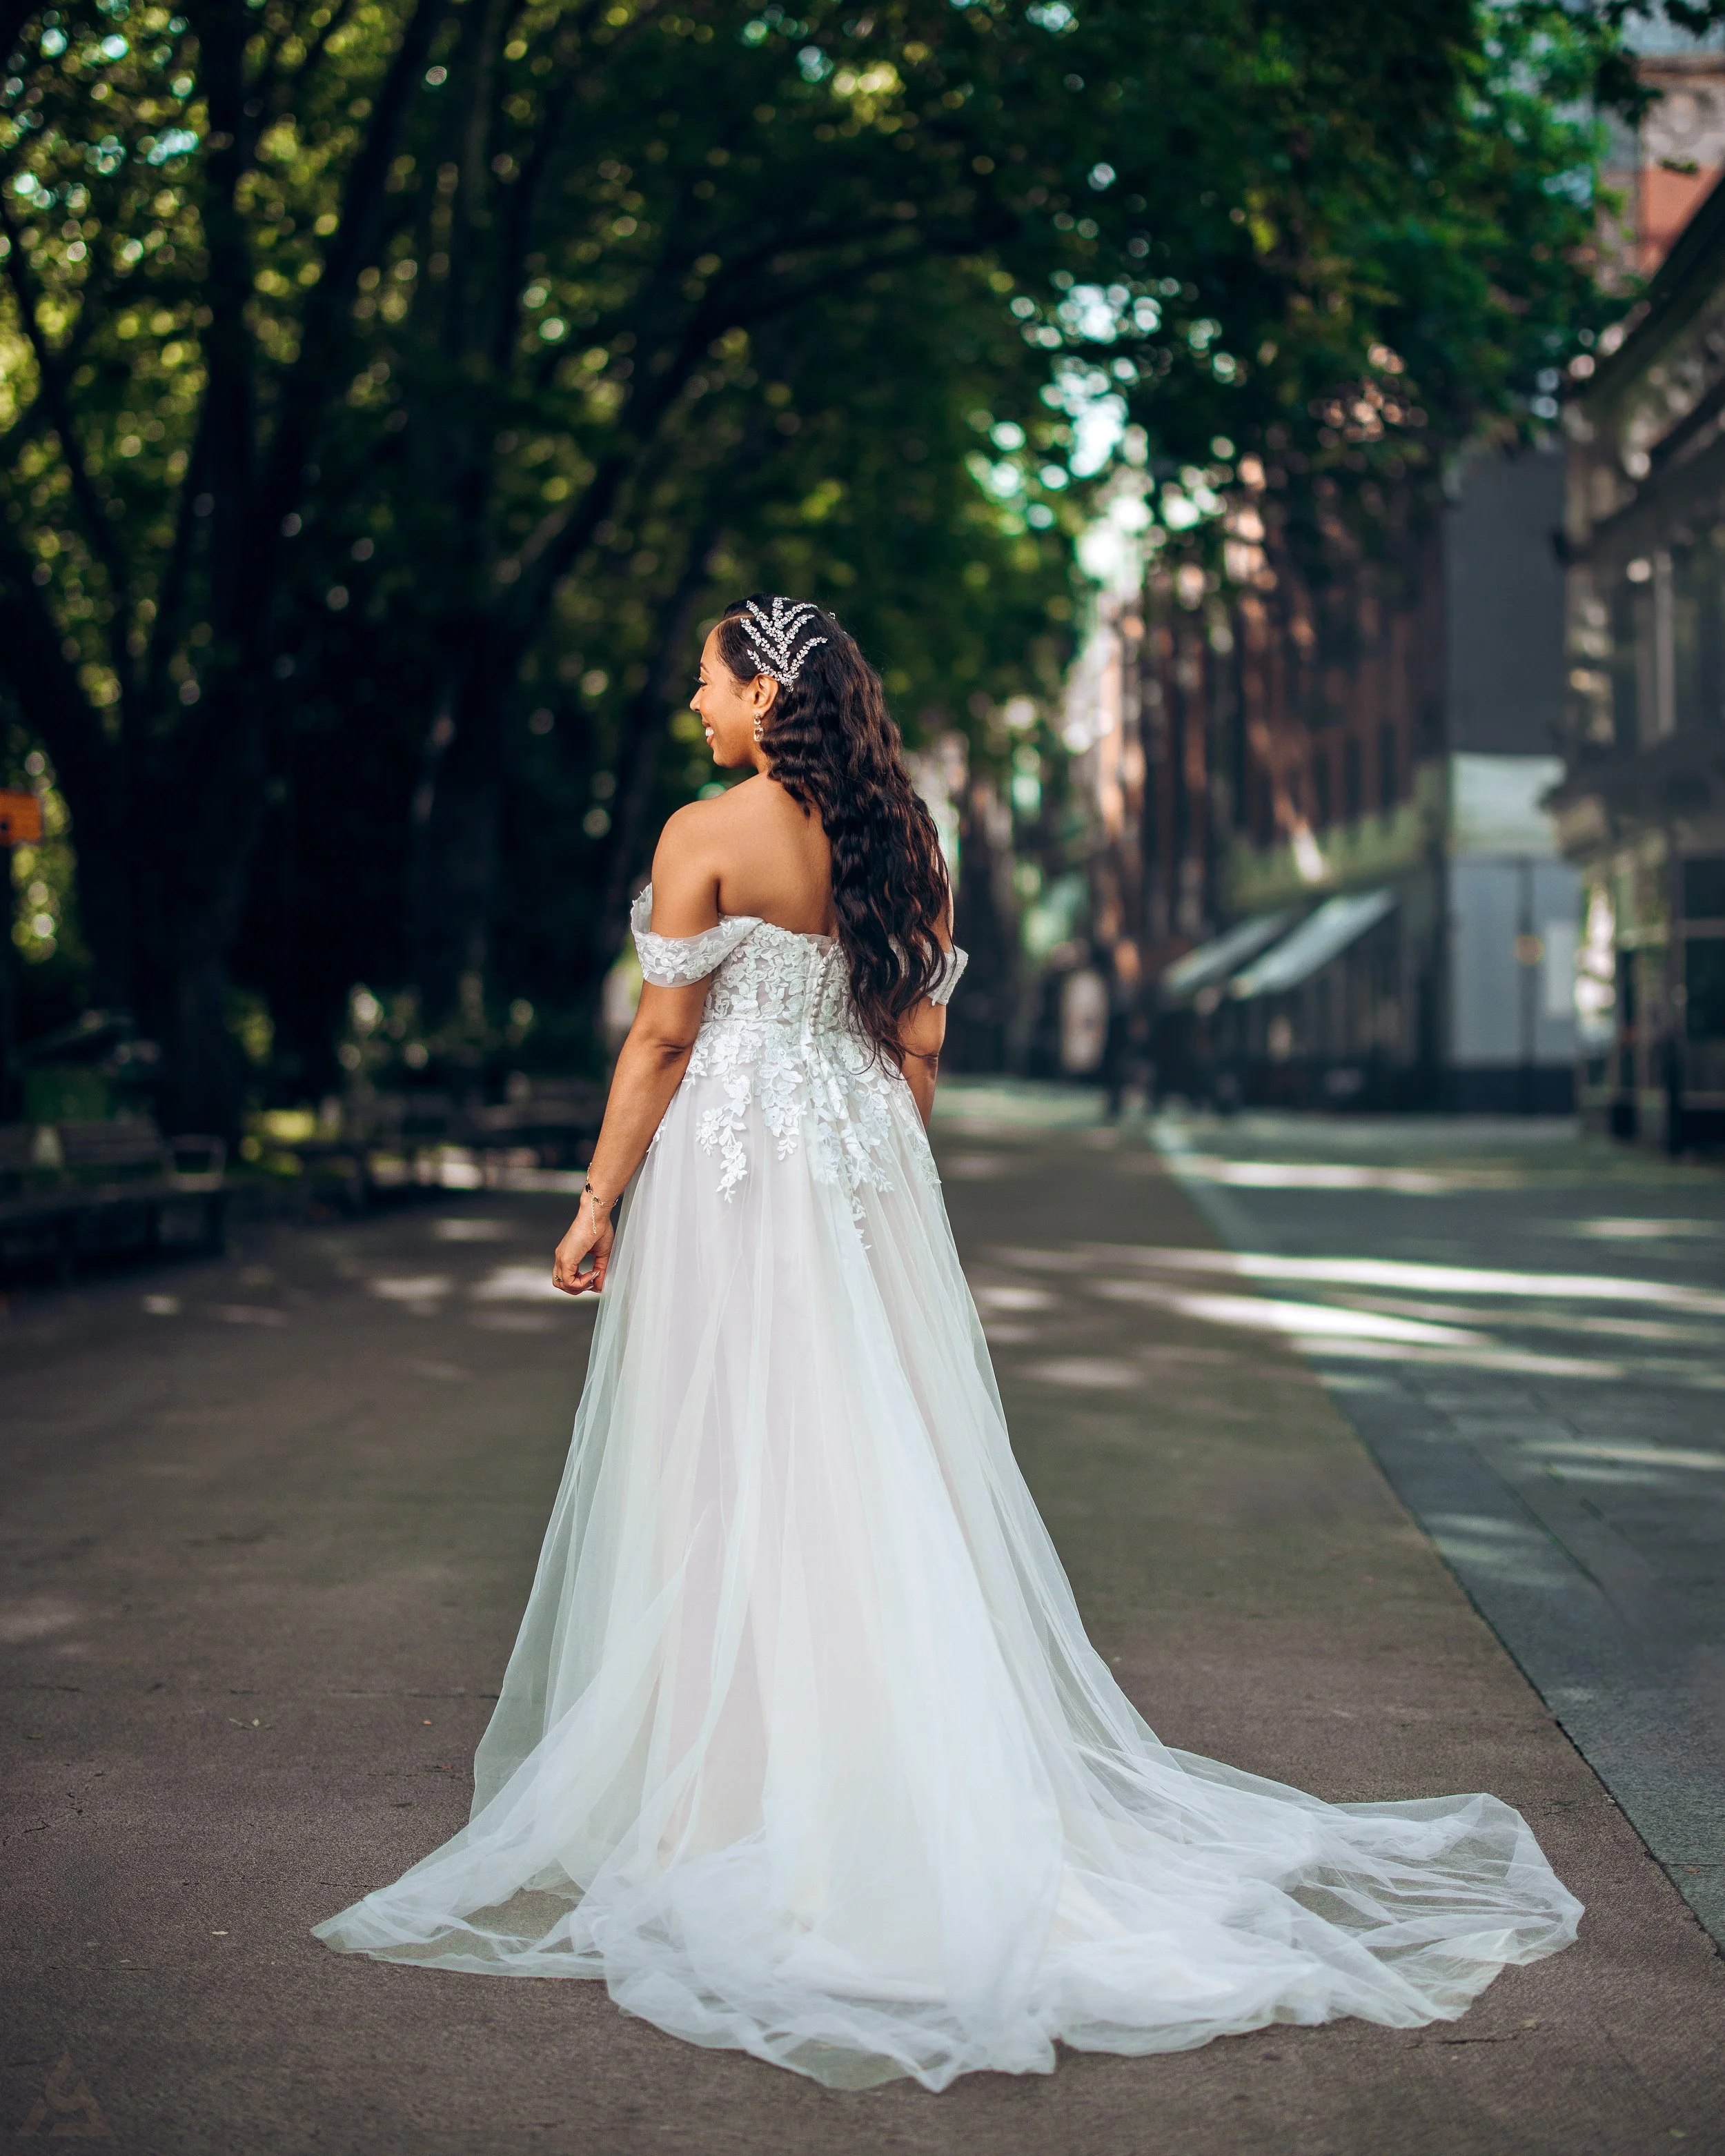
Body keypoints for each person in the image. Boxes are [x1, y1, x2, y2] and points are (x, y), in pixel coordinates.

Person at [315, 595, 1579, 2091]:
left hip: (736, 1165)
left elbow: (660, 1037)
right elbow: (914, 1050)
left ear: (763, 696)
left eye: (705, 687)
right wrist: (868, 1172)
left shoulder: (700, 830)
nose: (691, 711)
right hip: (854, 1159)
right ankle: (872, 1768)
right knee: (866, 1450)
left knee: (729, 1453)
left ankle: (729, 1796)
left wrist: (600, 1200)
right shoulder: (906, 838)